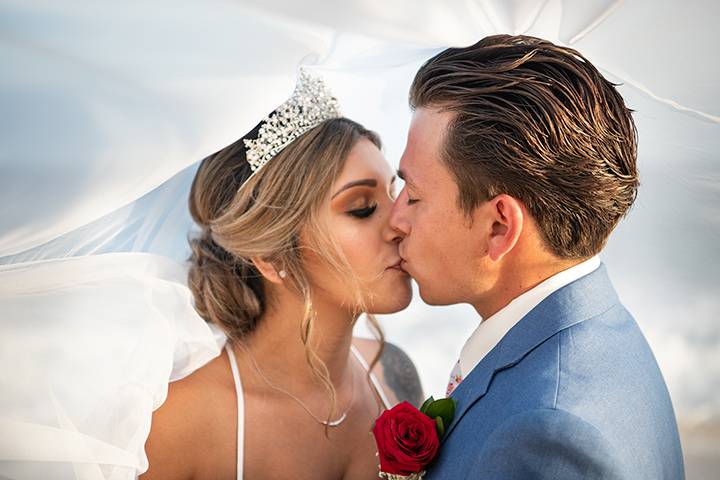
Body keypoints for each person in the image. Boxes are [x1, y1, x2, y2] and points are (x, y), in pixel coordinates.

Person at [389, 35, 684, 479]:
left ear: (499, 226)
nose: (395, 220)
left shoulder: (548, 436)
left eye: (413, 194)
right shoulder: (602, 329)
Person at [140, 69, 423, 480]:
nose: (400, 222)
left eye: (396, 195)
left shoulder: (394, 376)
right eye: (361, 207)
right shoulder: (180, 419)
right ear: (271, 256)